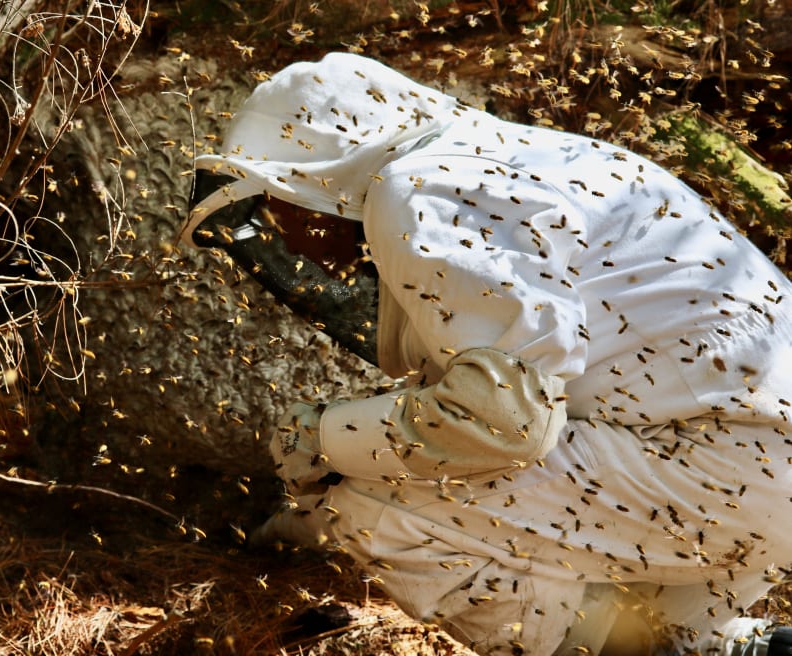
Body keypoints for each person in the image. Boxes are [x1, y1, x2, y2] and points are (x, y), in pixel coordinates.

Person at [181, 53, 792, 655]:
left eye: (272, 207)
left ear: (310, 185)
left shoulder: (418, 189)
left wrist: (318, 439)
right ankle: (713, 642)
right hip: (741, 474)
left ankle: (624, 648)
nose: (283, 234)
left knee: (367, 503)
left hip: (721, 468)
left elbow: (504, 421)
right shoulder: (506, 157)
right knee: (659, 620)